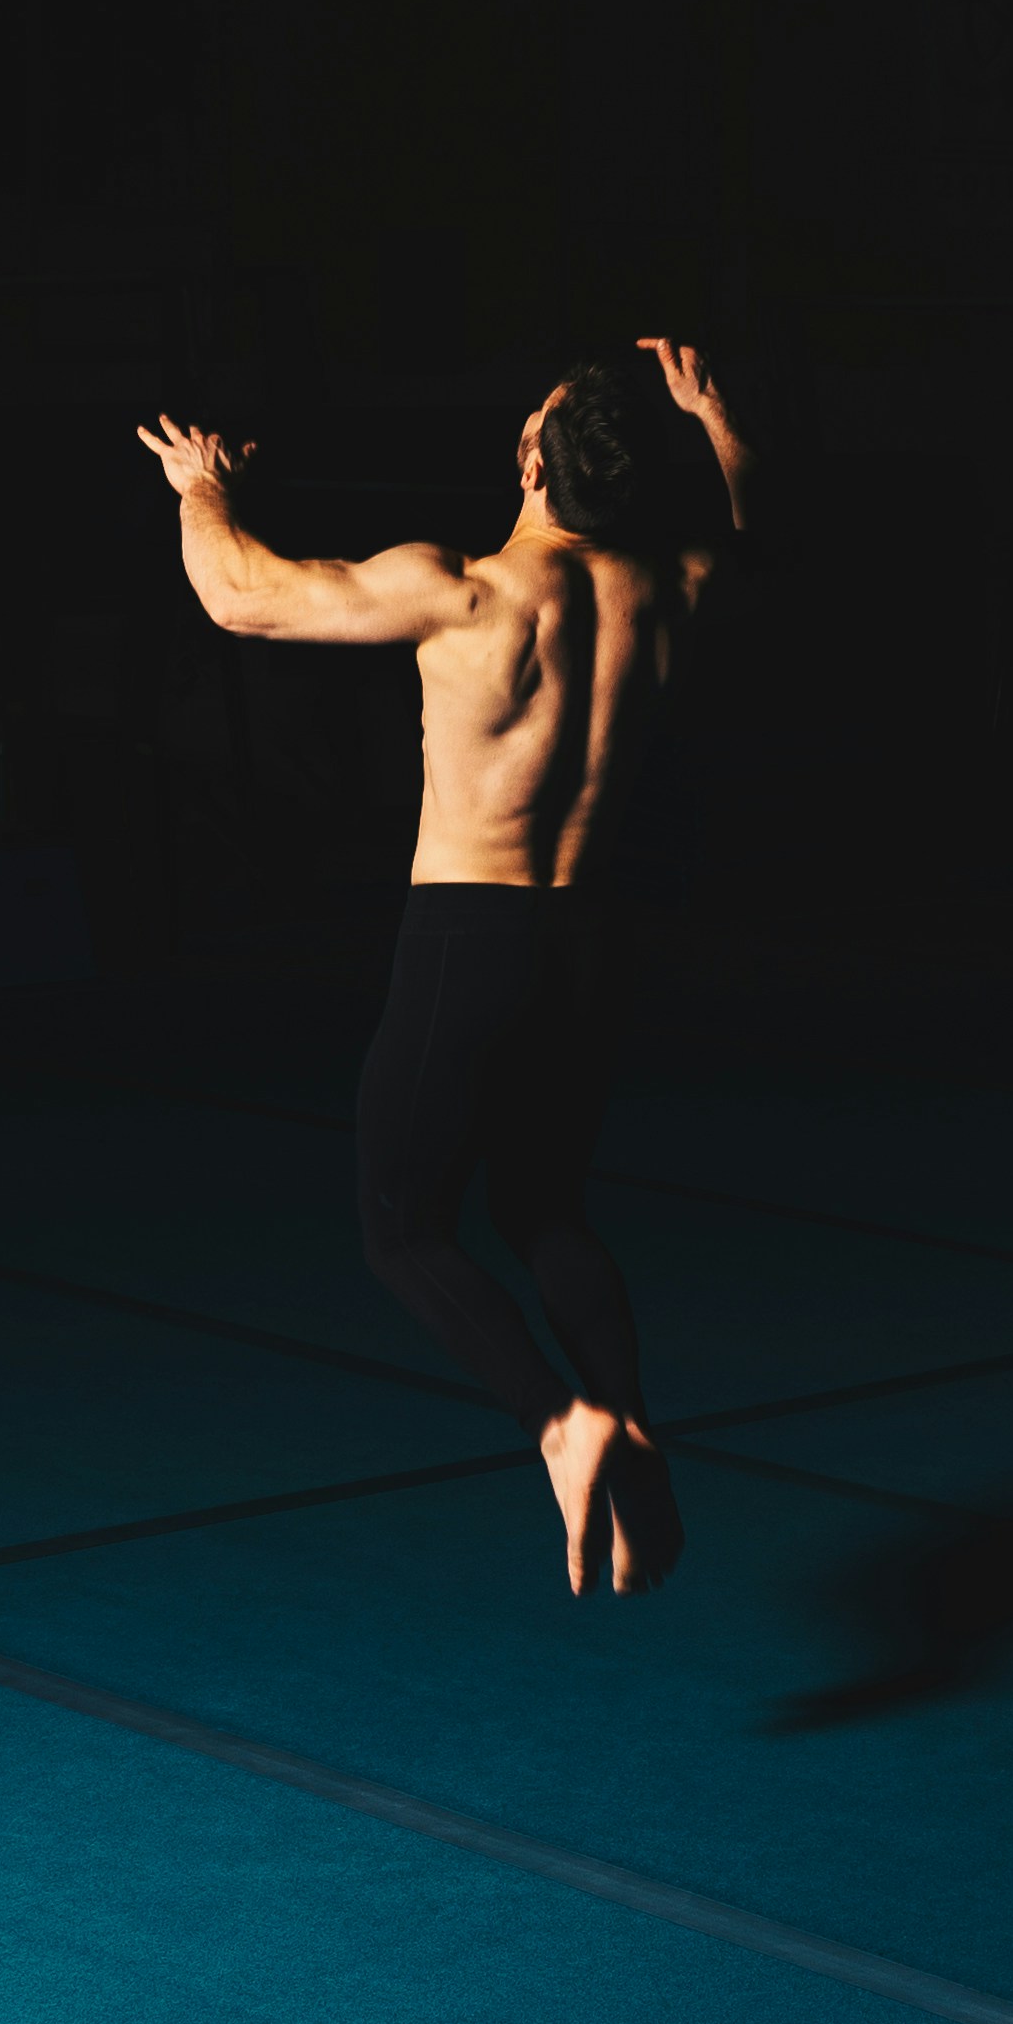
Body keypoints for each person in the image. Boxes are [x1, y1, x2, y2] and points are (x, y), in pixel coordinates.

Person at [138, 341, 751, 1593]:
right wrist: (718, 425)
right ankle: (629, 1415)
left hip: (472, 935)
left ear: (531, 463)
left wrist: (201, 488)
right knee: (546, 1208)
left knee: (401, 1231)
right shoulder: (681, 582)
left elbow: (240, 597)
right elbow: (747, 518)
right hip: (591, 942)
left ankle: (562, 1426)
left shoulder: (464, 593)